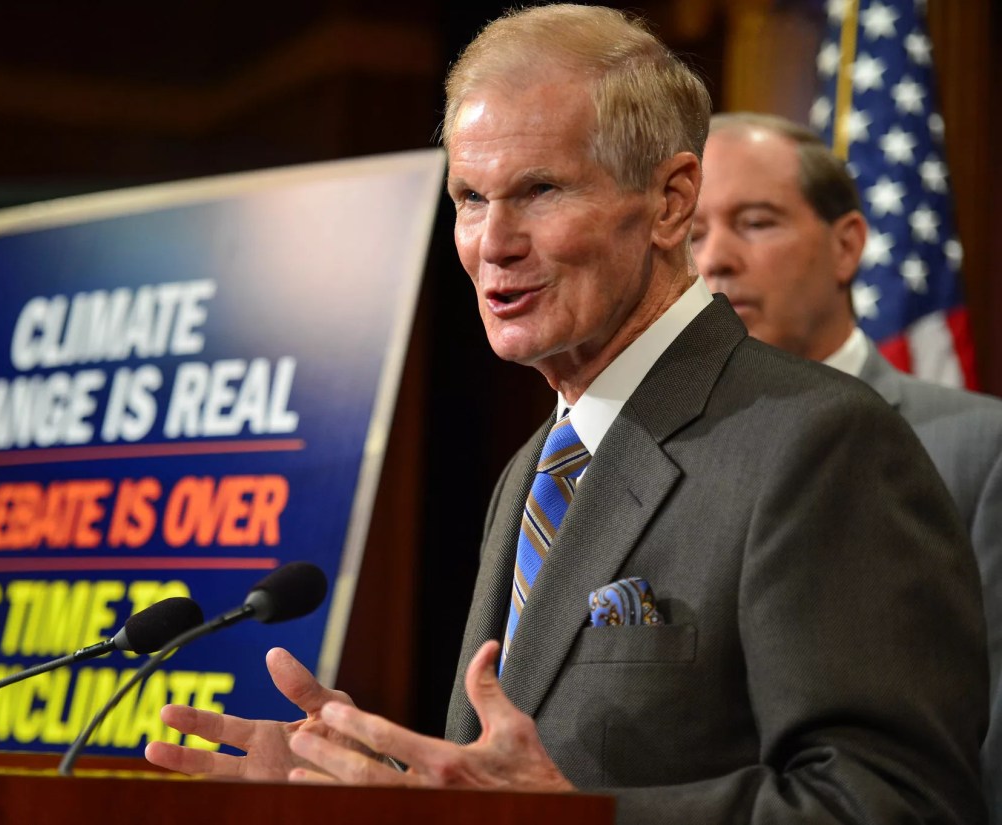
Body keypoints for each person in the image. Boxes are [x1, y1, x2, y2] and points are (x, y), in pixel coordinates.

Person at [146, 6, 989, 822]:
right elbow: (518, 775)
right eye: (470, 198)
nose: (493, 242)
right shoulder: (537, 466)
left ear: (669, 201)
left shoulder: (820, 442)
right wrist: (386, 786)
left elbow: (896, 802)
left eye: (539, 190)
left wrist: (576, 817)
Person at [693, 110, 1002, 823]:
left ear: (846, 245)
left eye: (757, 221)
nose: (716, 259)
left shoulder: (978, 450)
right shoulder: (663, 452)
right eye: (693, 232)